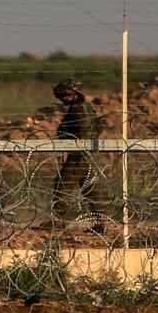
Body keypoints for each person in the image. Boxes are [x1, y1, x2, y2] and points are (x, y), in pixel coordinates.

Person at [46, 78, 106, 234]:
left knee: (63, 185)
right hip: (84, 154)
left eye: (64, 96)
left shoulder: (76, 109)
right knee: (89, 188)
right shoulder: (86, 107)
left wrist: (79, 148)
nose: (62, 99)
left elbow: (83, 128)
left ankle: (58, 220)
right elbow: (99, 126)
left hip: (77, 155)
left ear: (71, 94)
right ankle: (101, 222)